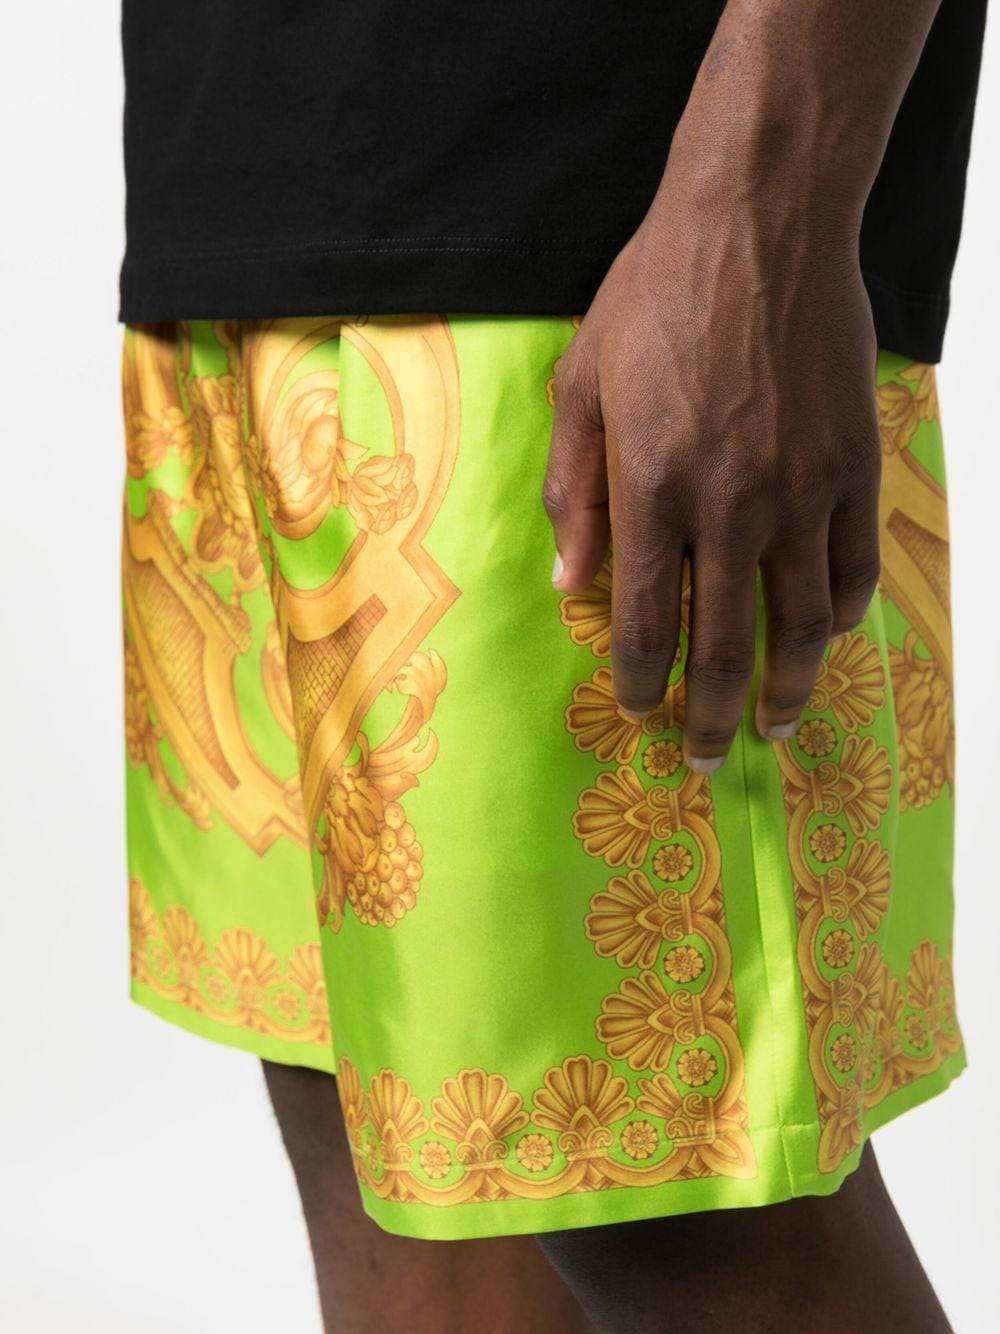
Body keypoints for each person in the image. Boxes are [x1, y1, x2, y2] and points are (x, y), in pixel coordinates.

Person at [118, 1, 986, 1329]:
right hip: (244, 204)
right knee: (405, 1171)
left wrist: (767, 201)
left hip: (603, 242)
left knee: (679, 1208)